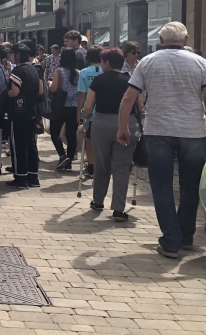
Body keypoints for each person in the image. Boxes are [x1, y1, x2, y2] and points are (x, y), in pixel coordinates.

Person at [117, 22, 206, 259]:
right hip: (193, 131)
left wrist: (123, 127)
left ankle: (171, 240)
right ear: (186, 38)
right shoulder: (200, 62)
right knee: (190, 185)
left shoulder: (148, 62)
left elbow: (130, 96)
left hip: (158, 129)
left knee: (161, 186)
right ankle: (187, 236)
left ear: (160, 40)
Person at [82, 48, 139, 222]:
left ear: (107, 63)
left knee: (102, 163)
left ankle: (98, 201)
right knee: (122, 166)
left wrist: (83, 120)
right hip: (127, 122)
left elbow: (88, 107)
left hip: (102, 123)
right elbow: (140, 105)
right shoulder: (130, 81)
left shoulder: (99, 81)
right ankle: (118, 209)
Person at [5, 42, 43, 189]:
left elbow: (14, 92)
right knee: (31, 144)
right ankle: (33, 176)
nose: (10, 56)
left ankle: (20, 177)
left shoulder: (18, 71)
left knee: (18, 145)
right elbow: (40, 91)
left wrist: (6, 93)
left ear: (18, 55)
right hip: (32, 111)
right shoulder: (34, 69)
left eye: (12, 54)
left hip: (19, 112)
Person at [74, 45, 103, 178]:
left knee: (89, 140)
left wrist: (78, 112)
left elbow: (82, 93)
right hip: (103, 110)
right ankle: (101, 165)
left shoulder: (84, 72)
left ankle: (91, 165)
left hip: (88, 111)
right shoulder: (106, 71)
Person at [49, 48, 80, 170]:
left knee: (54, 132)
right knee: (71, 134)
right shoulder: (79, 72)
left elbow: (54, 88)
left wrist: (48, 83)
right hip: (74, 106)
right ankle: (70, 161)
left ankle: (62, 155)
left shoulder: (59, 71)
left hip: (60, 106)